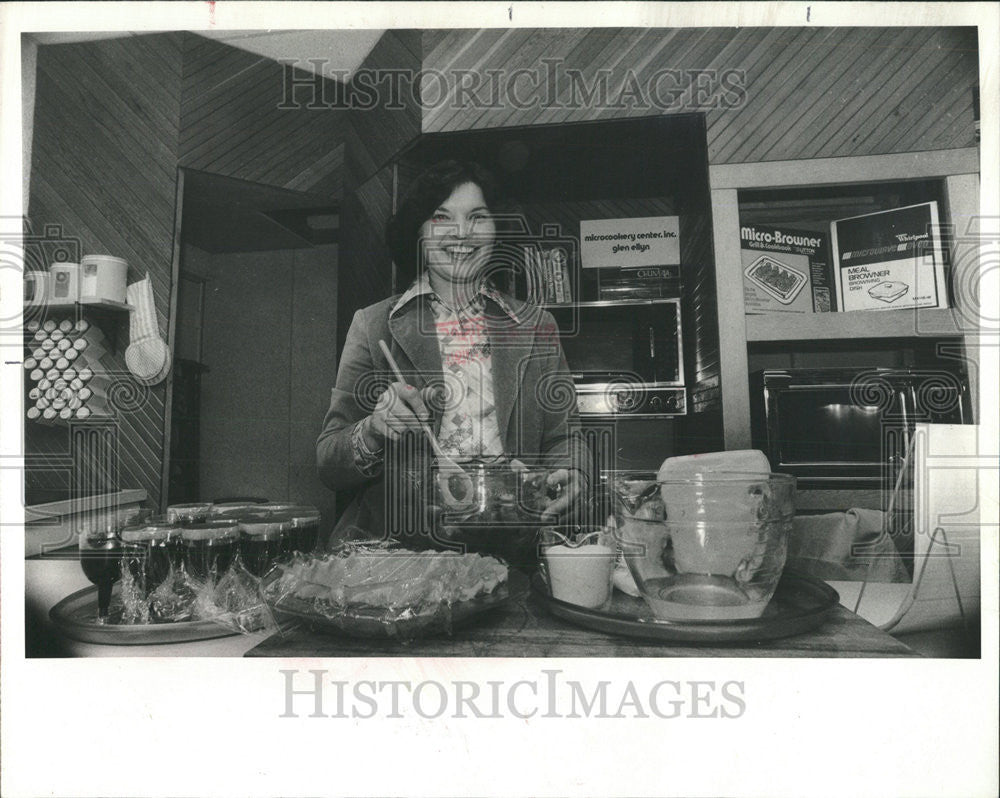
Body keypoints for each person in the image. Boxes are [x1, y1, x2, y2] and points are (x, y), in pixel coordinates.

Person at [317, 159, 589, 559]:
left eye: (477, 217)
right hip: (399, 559)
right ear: (419, 233)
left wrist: (573, 473)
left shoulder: (537, 326)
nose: (461, 233)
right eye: (442, 217)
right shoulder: (373, 325)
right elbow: (328, 463)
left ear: (495, 231)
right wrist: (374, 428)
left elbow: (566, 437)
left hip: (510, 553)